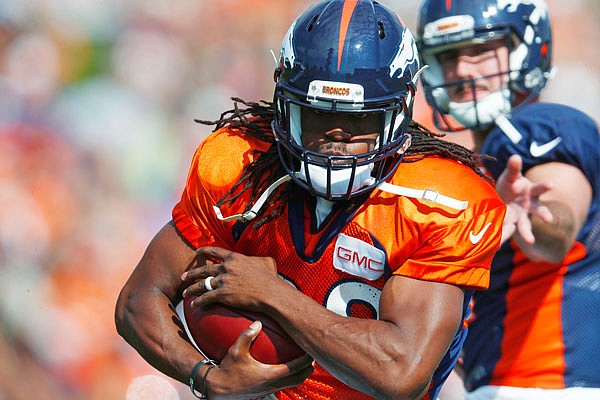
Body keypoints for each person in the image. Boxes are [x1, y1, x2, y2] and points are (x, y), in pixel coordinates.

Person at [114, 1, 517, 399]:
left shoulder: (441, 199)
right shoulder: (238, 164)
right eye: (317, 114)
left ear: (400, 112)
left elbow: (400, 372)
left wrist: (274, 295)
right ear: (284, 105)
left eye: (360, 117)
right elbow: (139, 300)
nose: (336, 137)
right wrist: (205, 378)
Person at [416, 0, 600, 399]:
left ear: (526, 47)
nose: (463, 70)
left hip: (545, 383)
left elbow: (557, 227)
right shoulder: (474, 162)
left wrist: (536, 215)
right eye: (448, 55)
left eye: (480, 50)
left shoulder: (536, 129)